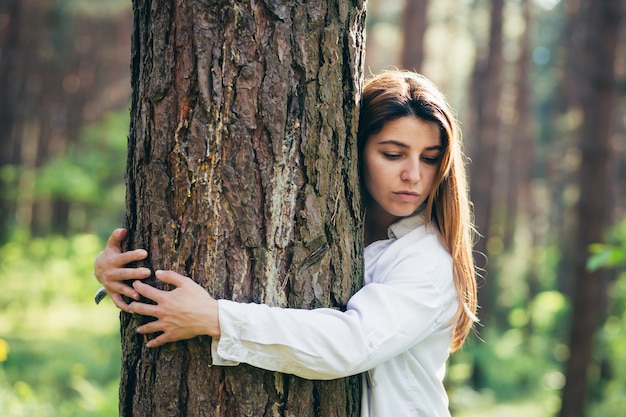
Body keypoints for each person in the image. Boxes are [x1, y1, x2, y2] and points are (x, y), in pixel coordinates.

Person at [94, 70, 478, 417]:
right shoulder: (333, 226)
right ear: (354, 149)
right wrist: (120, 273)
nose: (413, 174)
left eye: (429, 159)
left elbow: (351, 343)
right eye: (392, 154)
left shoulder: (428, 260)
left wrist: (218, 319)